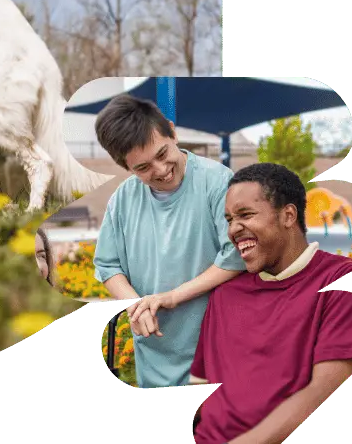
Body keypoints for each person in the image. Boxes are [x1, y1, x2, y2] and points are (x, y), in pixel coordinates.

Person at [190, 163, 352, 444]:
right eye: (229, 219)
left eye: (245, 214)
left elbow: (321, 397)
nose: (234, 229)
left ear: (288, 216)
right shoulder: (226, 294)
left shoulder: (345, 283)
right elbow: (204, 390)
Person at [91, 94, 246, 389]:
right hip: (154, 357)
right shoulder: (122, 199)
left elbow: (235, 255)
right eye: (143, 168)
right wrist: (136, 306)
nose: (161, 171)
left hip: (217, 353)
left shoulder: (219, 182)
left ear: (173, 132)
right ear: (127, 168)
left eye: (162, 154)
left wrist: (172, 296)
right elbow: (108, 266)